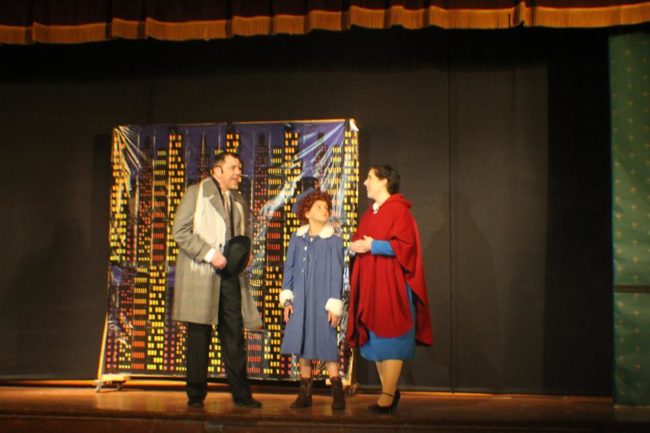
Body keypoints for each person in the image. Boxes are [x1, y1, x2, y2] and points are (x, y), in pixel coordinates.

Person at [172, 152, 263, 409]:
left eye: (240, 168)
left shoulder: (238, 200)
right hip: (202, 274)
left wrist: (246, 253)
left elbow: (241, 234)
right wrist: (210, 254)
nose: (239, 173)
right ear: (217, 170)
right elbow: (180, 231)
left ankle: (241, 394)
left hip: (230, 275)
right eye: (234, 167)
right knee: (199, 335)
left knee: (234, 334)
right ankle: (196, 395)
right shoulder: (196, 193)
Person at [347, 165, 433, 414]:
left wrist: (374, 245)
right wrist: (358, 246)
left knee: (392, 334)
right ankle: (390, 391)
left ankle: (387, 394)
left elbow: (407, 247)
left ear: (384, 181)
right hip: (372, 283)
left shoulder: (399, 211)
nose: (365, 182)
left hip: (391, 284)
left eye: (370, 178)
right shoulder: (370, 214)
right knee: (376, 339)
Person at [279, 190, 346, 410]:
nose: (324, 210)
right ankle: (305, 394)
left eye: (326, 207)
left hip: (322, 298)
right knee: (302, 343)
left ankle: (337, 392)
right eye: (319, 207)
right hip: (300, 298)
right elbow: (288, 269)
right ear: (307, 213)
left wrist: (334, 304)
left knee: (326, 342)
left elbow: (337, 274)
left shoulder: (334, 241)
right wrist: (287, 300)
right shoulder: (296, 239)